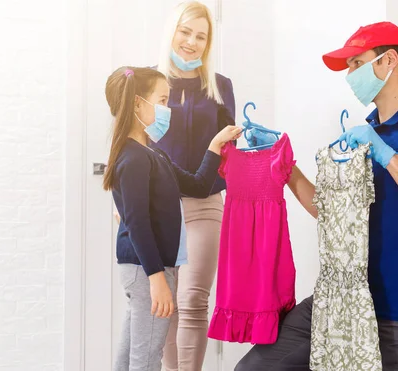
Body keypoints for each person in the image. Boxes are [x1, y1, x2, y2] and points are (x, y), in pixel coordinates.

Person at [235, 21, 398, 371]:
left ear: (389, 61)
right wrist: (283, 165)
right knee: (253, 368)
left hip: (392, 315)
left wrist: (388, 156)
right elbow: (330, 213)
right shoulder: (367, 131)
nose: (349, 74)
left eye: (356, 63)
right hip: (335, 300)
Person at [103, 66, 240, 371]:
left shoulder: (152, 153)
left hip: (144, 269)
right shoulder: (135, 157)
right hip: (147, 270)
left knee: (129, 357)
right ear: (138, 103)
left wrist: (215, 145)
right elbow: (137, 223)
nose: (168, 110)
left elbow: (197, 184)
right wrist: (157, 279)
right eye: (163, 101)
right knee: (146, 359)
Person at [151, 2, 237, 369]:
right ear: (172, 31)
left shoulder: (220, 87)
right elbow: (130, 143)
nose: (191, 42)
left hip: (205, 206)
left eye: (201, 36)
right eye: (186, 31)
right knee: (165, 305)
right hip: (159, 208)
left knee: (193, 301)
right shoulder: (147, 82)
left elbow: (231, 151)